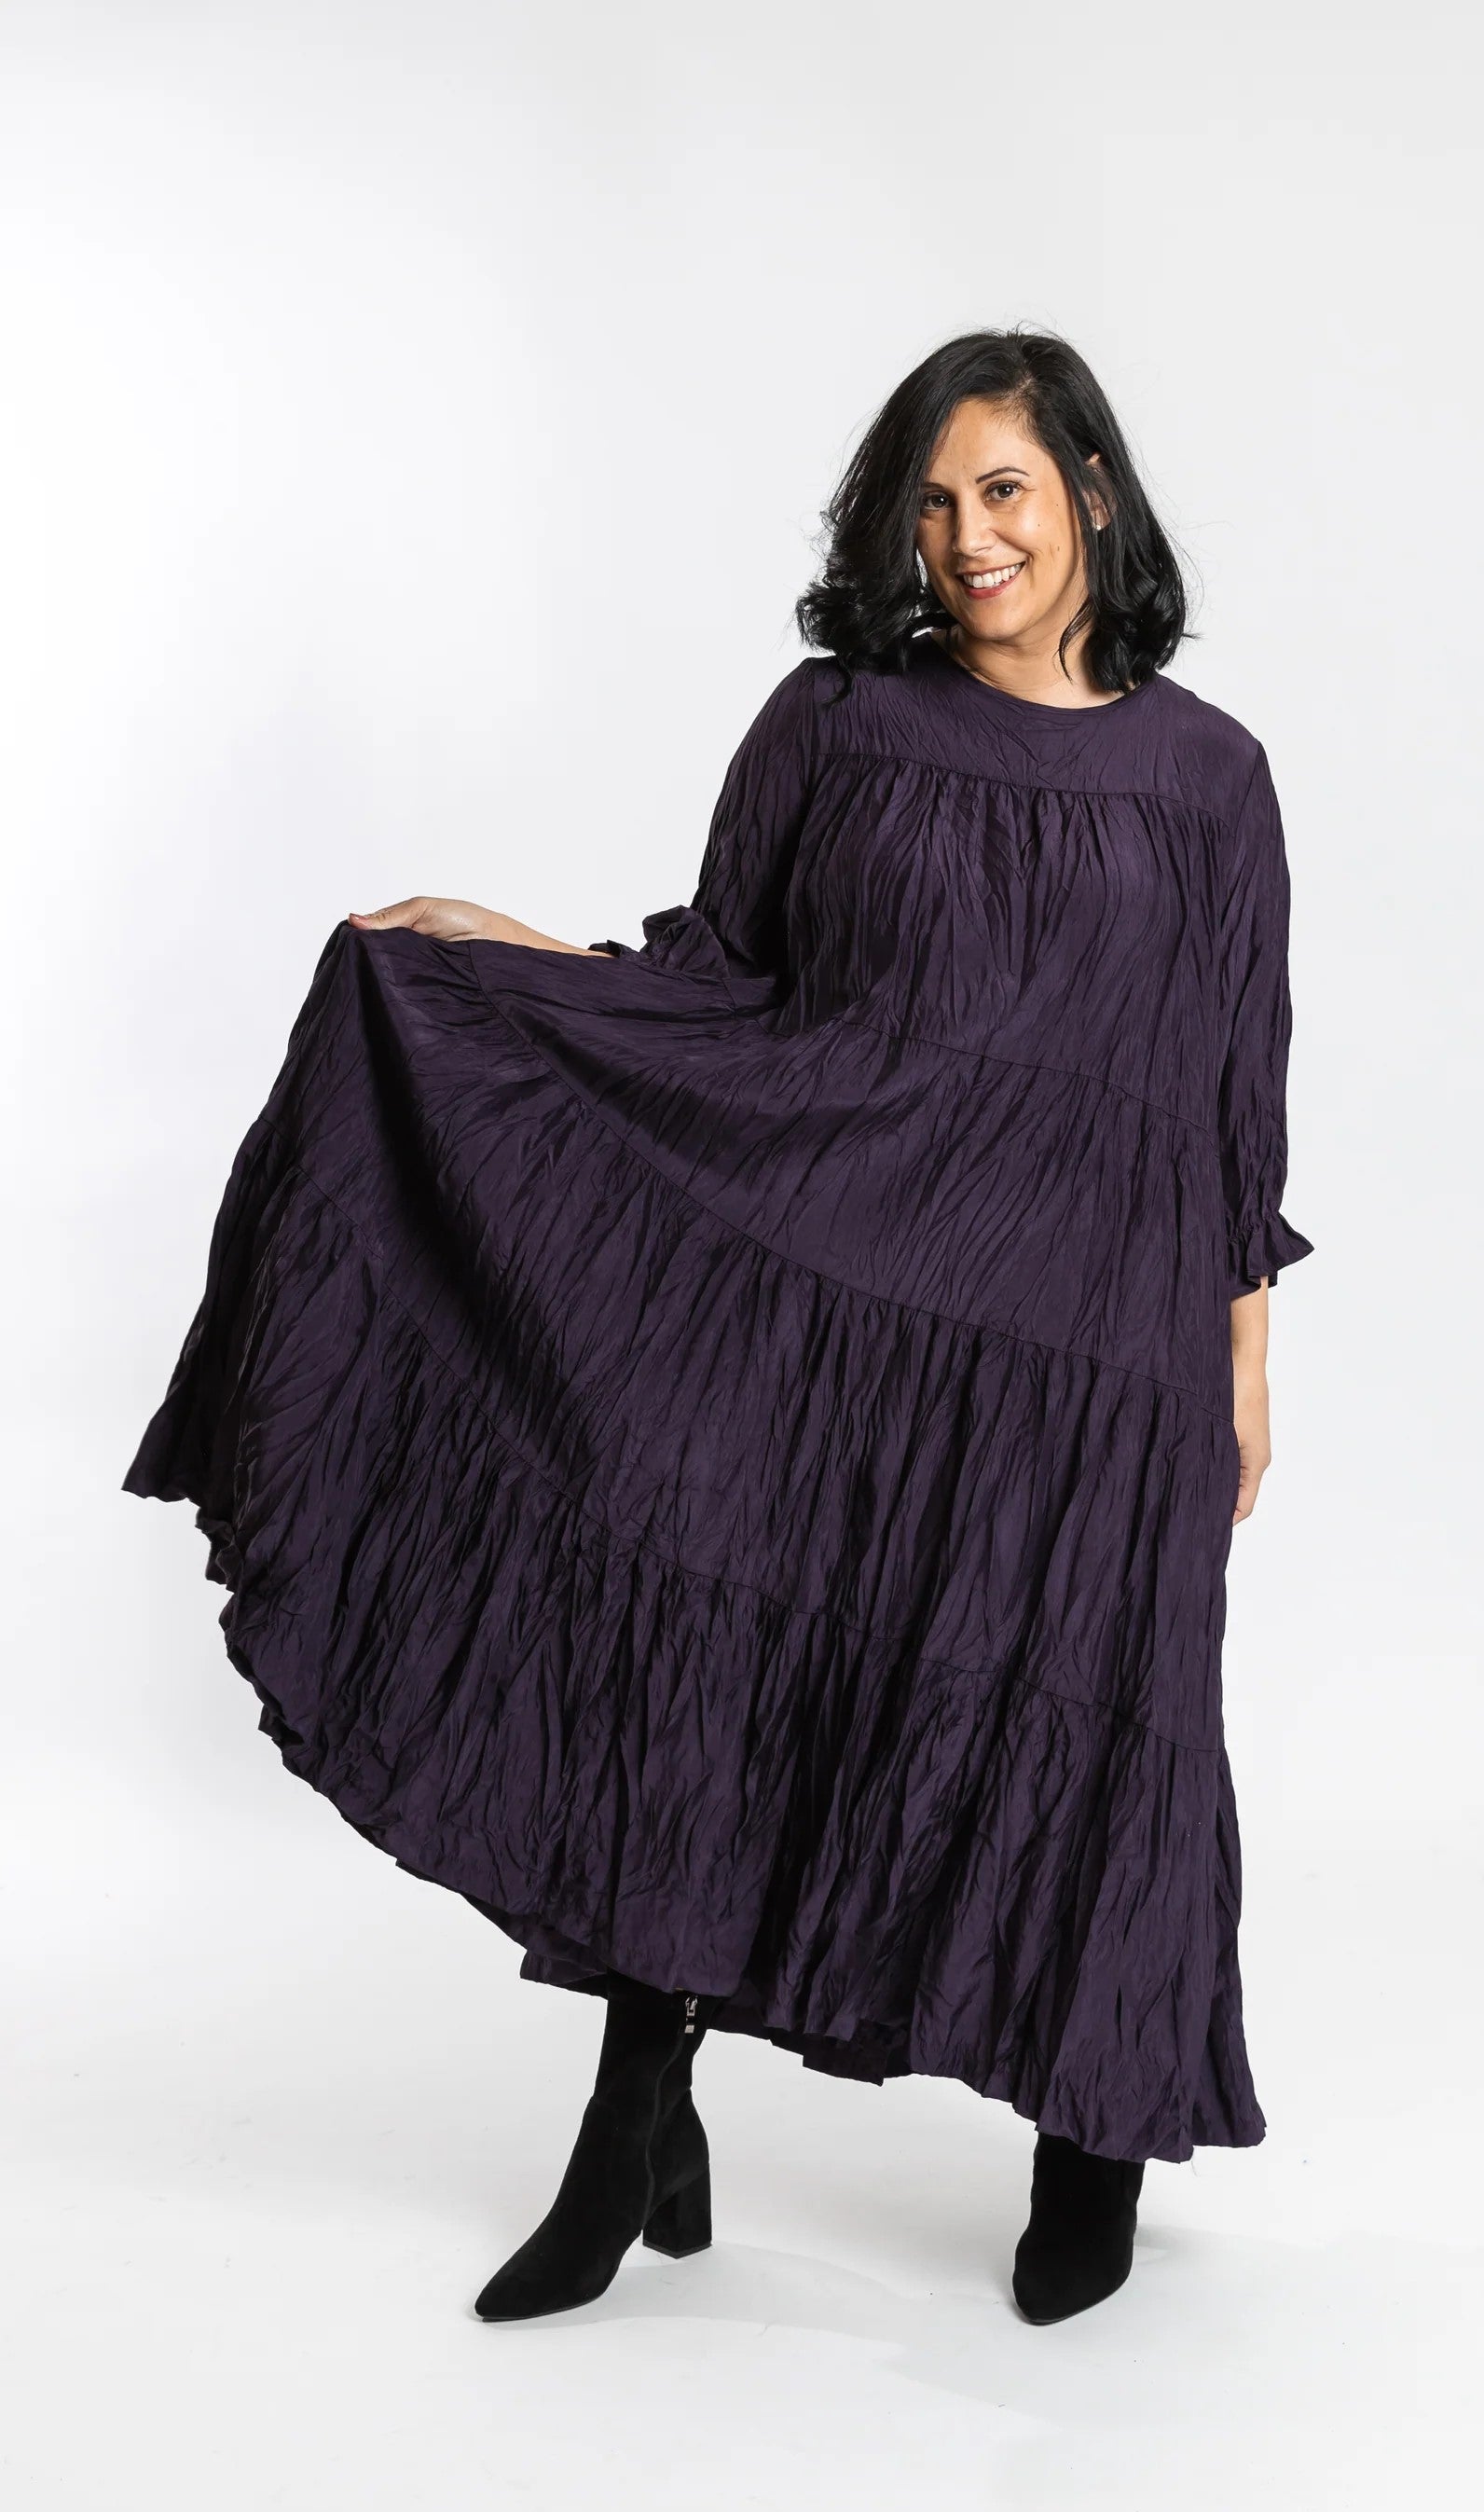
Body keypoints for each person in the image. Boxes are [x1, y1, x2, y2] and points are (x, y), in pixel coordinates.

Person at [123, 325, 1313, 2327]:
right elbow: (724, 984)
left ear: (1092, 494)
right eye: (932, 504)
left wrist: (1244, 1360)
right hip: (839, 1302)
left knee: (1096, 1696)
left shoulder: (1213, 779)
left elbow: (1229, 1091)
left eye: (1004, 490)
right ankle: (635, 2124)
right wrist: (512, 957)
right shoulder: (836, 722)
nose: (969, 538)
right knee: (739, 1663)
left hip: (1091, 1343)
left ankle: (1089, 2137)